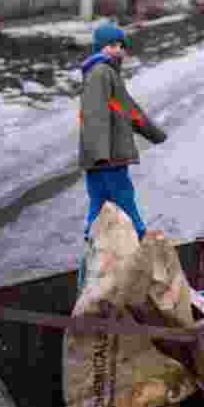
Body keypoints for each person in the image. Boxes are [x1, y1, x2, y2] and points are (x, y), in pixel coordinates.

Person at [79, 22, 166, 247]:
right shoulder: (101, 73)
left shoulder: (108, 73)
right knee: (124, 199)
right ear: (100, 48)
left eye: (121, 46)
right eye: (112, 45)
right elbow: (94, 115)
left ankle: (92, 242)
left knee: (99, 203)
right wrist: (101, 154)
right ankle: (141, 239)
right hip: (108, 156)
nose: (118, 50)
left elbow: (130, 111)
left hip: (100, 157)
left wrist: (155, 134)